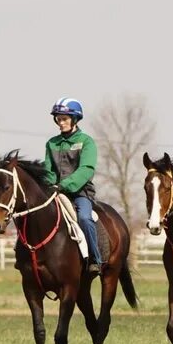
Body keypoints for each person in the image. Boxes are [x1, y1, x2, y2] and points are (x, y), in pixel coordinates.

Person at [43, 97, 105, 275]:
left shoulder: (86, 142)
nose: (60, 122)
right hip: (55, 191)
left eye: (64, 119)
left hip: (80, 193)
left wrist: (64, 186)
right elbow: (48, 170)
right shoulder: (51, 143)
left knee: (85, 218)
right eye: (58, 119)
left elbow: (86, 170)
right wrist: (49, 185)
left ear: (75, 119)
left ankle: (95, 259)